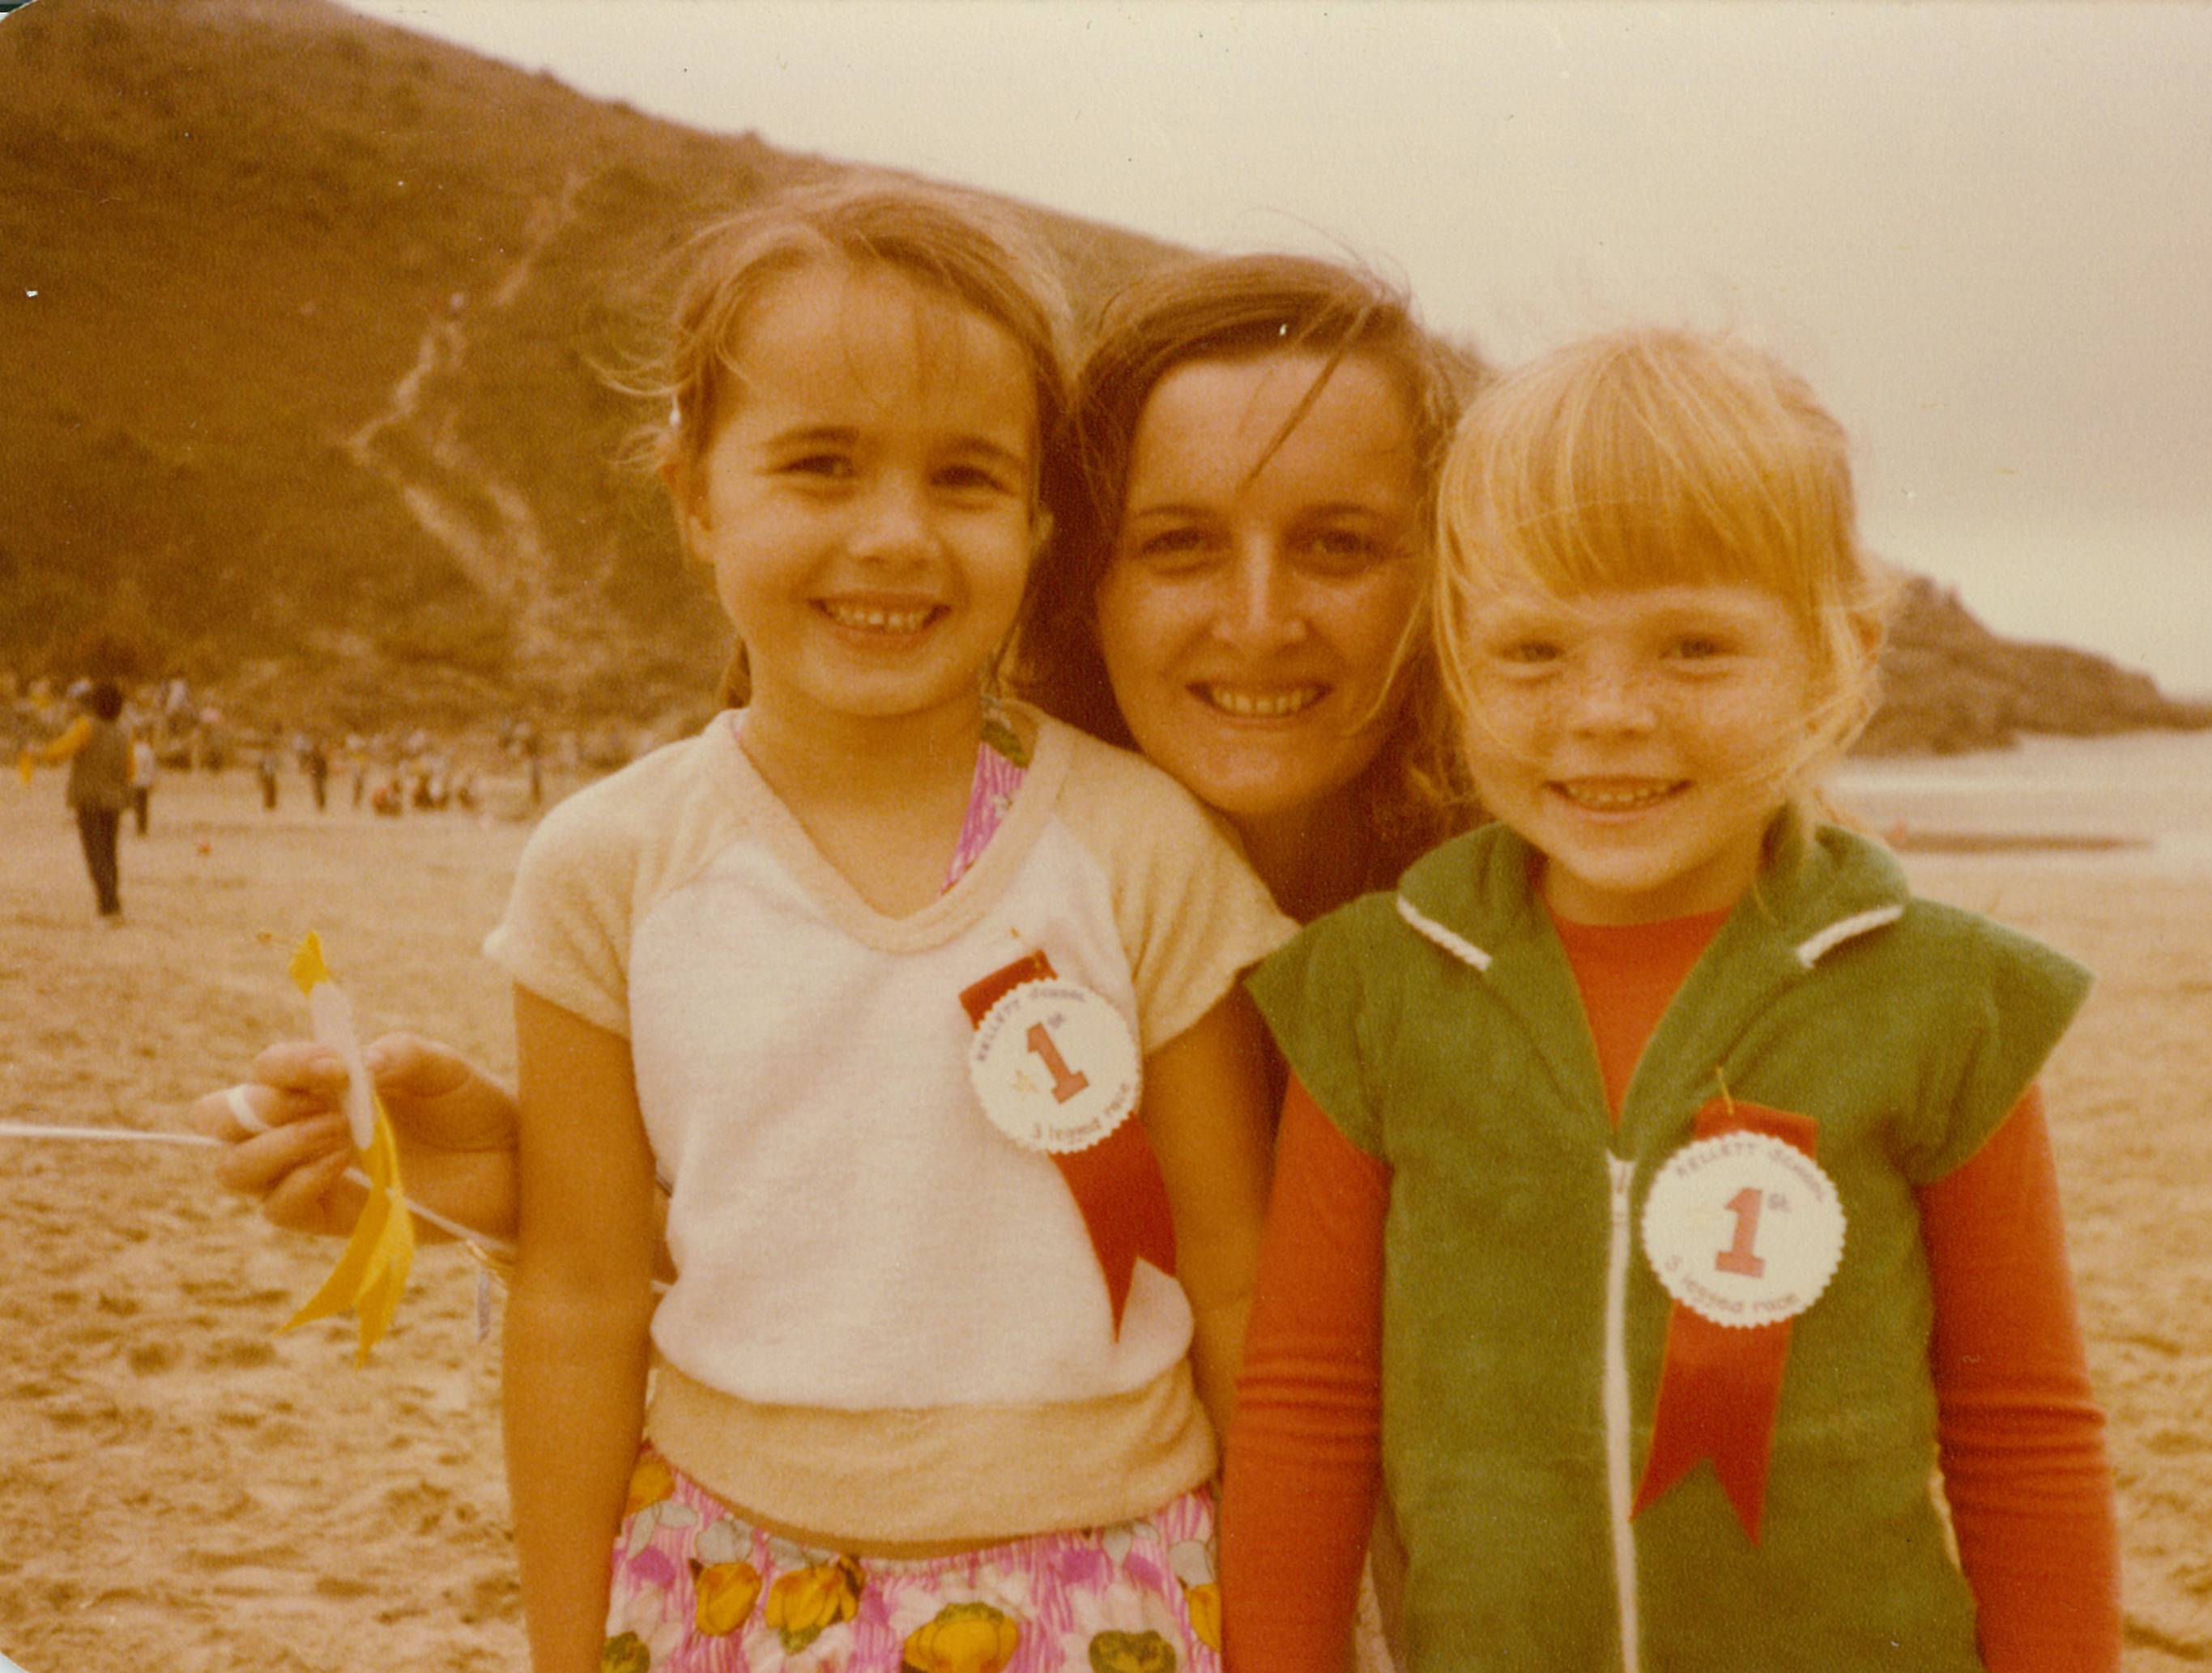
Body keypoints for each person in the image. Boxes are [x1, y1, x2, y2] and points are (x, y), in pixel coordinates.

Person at [193, 248, 1473, 1662]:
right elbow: (691, 1251)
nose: (895, 539)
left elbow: (1241, 1304)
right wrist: (512, 1178)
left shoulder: (1267, 885)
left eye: (1340, 543)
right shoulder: (627, 862)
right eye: (1178, 542)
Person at [1220, 329, 2120, 1671]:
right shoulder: (1372, 987)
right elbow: (1309, 1404)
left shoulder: (1949, 1001)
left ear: (1836, 656)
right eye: (1532, 655)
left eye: (1694, 649)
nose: (1608, 712)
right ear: (1458, 661)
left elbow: (2023, 1428)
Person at [519, 180, 1300, 1673]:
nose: (895, 537)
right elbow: (577, 1294)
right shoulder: (604, 867)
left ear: (1036, 521)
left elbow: (1235, 1275)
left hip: (1116, 1585)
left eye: (964, 480)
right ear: (694, 496)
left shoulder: (1141, 851)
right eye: (820, 467)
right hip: (722, 1582)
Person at [36, 677, 135, 919]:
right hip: (114, 801)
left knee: (95, 855)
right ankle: (112, 905)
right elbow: (130, 770)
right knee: (110, 854)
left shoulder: (86, 726)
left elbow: (61, 750)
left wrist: (41, 754)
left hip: (89, 800)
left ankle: (109, 907)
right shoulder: (124, 733)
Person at [129, 726, 157, 837]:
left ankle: (138, 827)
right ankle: (143, 828)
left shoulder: (132, 749)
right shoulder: (148, 750)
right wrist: (152, 780)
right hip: (145, 781)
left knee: (137, 806)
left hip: (135, 781)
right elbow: (151, 767)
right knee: (144, 806)